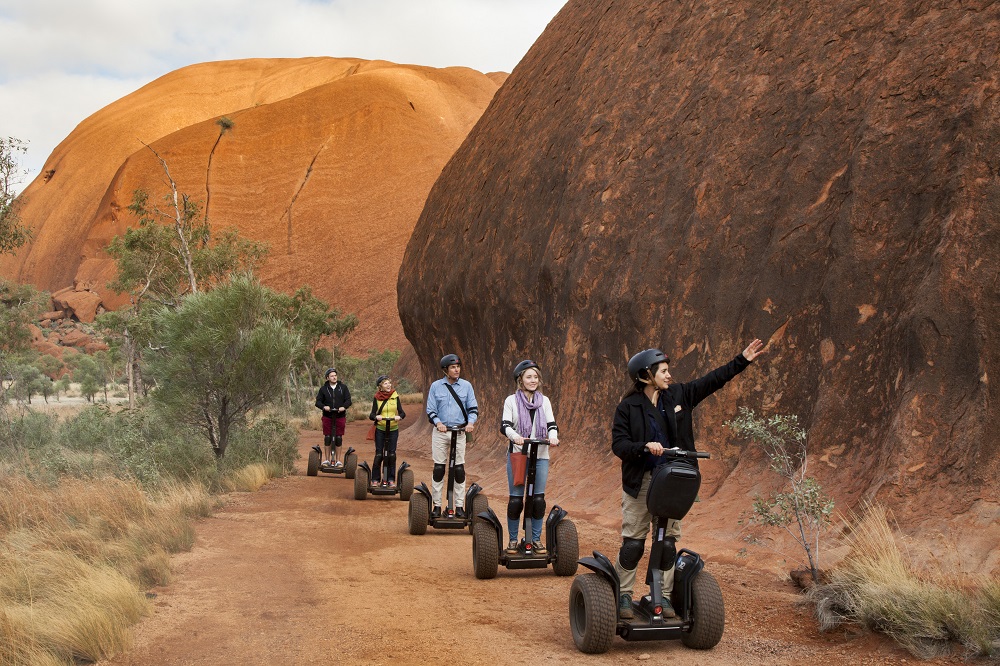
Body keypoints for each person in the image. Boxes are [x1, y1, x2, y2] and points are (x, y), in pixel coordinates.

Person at [611, 339, 766, 620]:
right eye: (663, 371)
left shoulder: (679, 395)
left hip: (673, 481)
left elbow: (713, 380)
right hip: (642, 482)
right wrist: (644, 446)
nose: (669, 375)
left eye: (668, 370)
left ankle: (663, 596)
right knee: (634, 543)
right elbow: (619, 445)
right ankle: (623, 594)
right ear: (646, 375)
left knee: (668, 542)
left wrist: (741, 360)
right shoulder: (628, 408)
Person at [501, 359, 559, 554]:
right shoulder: (511, 401)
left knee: (538, 499)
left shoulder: (545, 401)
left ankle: (535, 539)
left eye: (536, 377)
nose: (533, 380)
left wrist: (553, 437)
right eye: (529, 377)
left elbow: (551, 425)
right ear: (520, 380)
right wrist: (515, 437)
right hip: (518, 454)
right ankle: (512, 539)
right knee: (516, 500)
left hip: (541, 454)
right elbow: (505, 425)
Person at [425, 353, 478, 518]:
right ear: (445, 370)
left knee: (459, 469)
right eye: (453, 367)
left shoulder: (466, 386)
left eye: (458, 366)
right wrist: (438, 423)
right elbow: (431, 410)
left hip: (460, 432)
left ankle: (459, 506)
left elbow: (473, 409)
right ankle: (437, 506)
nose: (457, 370)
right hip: (441, 432)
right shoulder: (435, 386)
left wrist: (470, 423)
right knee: (439, 468)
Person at [369, 374, 406, 487]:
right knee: (379, 454)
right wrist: (376, 417)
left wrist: (399, 417)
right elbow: (372, 414)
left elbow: (402, 412)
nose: (388, 385)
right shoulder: (377, 398)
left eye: (389, 383)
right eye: (385, 383)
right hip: (380, 429)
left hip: (393, 429)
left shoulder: (395, 396)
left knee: (391, 454)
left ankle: (390, 479)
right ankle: (375, 479)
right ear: (380, 386)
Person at [315, 368, 352, 468]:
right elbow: (318, 402)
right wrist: (324, 407)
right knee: (327, 437)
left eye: (335, 375)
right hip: (328, 416)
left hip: (340, 416)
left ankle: (338, 461)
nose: (334, 377)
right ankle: (327, 460)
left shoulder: (343, 388)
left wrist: (344, 407)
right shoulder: (323, 389)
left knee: (339, 438)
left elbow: (348, 400)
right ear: (327, 378)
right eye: (331, 376)